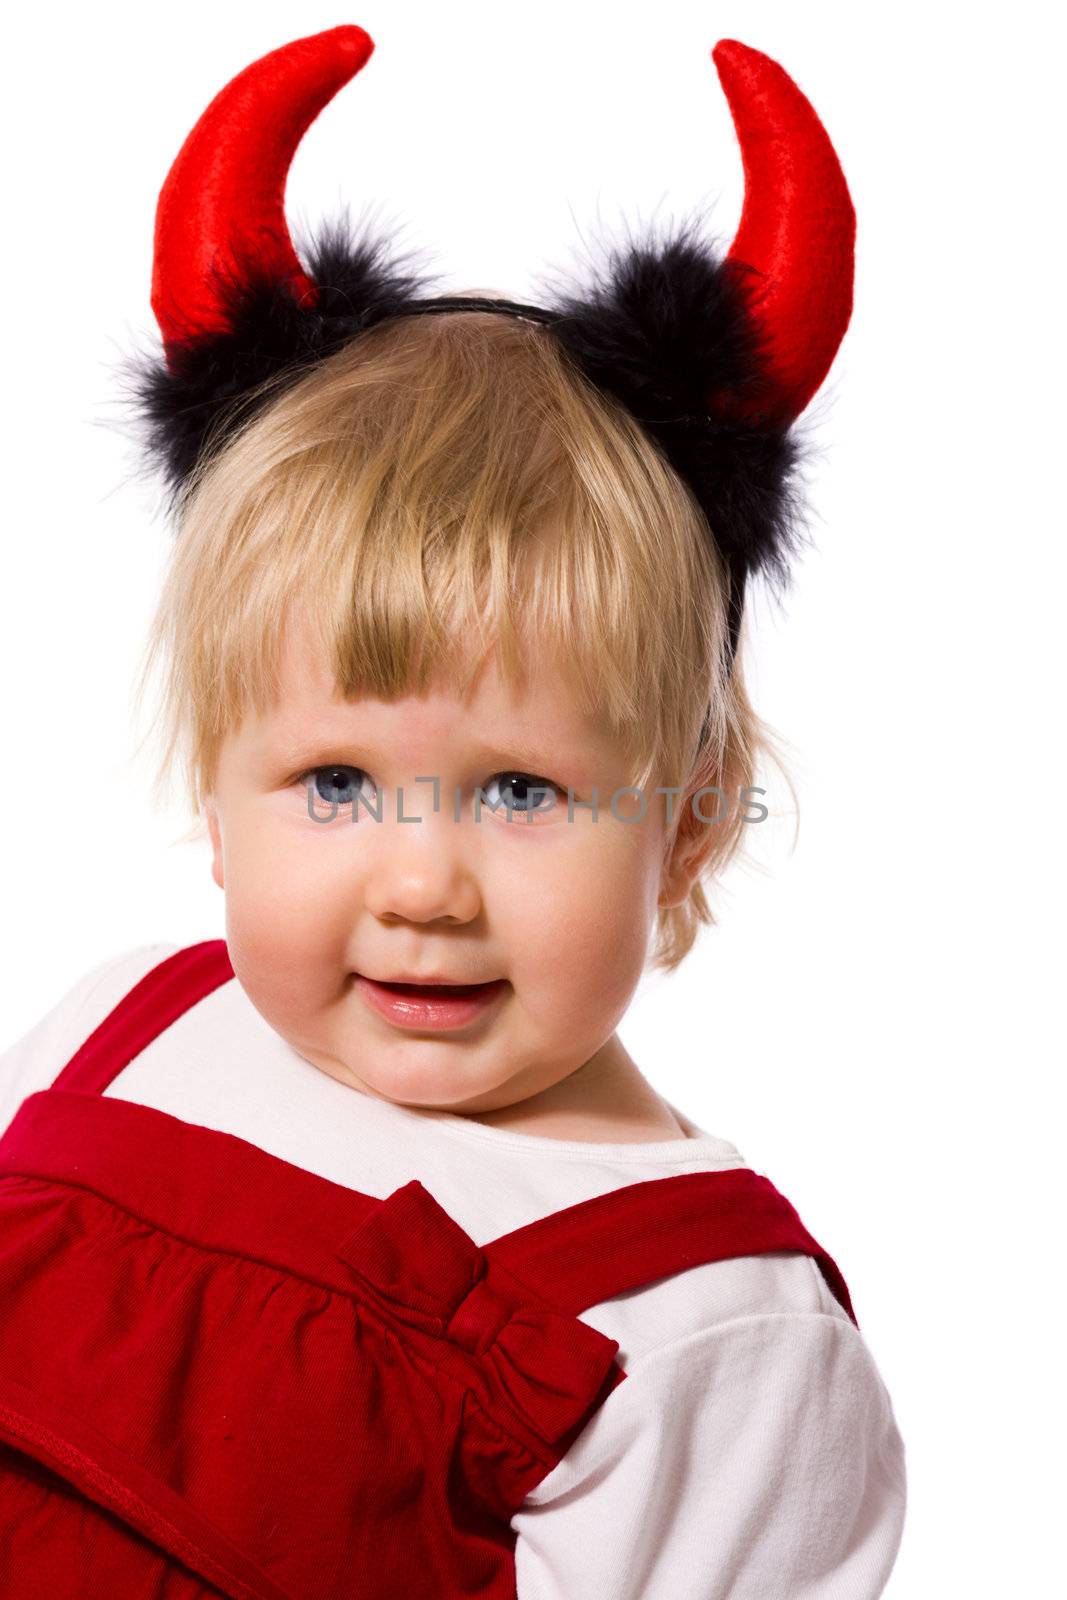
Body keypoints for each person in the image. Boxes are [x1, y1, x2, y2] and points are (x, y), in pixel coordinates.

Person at [0, 25, 906, 1599]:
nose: (425, 882)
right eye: (336, 783)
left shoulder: (711, 1334)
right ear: (220, 799)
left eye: (524, 791)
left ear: (688, 821)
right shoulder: (118, 1035)